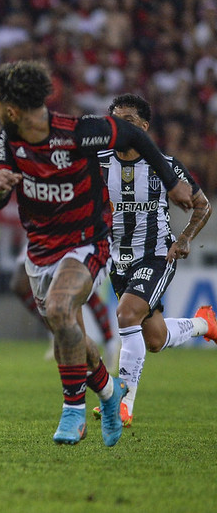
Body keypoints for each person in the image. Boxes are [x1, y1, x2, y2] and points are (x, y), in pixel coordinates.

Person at [0, 60, 193, 446]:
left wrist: (171, 182)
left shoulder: (79, 132)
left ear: (11, 106)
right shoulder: (9, 138)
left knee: (62, 310)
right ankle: (110, 394)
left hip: (87, 241)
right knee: (71, 334)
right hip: (41, 247)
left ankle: (72, 411)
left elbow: (134, 134)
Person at [91, 93, 215, 427]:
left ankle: (122, 403)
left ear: (143, 127)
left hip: (157, 253)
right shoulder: (98, 160)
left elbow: (202, 205)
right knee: (154, 338)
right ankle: (204, 324)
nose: (119, 126)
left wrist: (185, 238)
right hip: (117, 259)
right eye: (114, 119)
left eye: (127, 121)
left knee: (126, 313)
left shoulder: (164, 165)